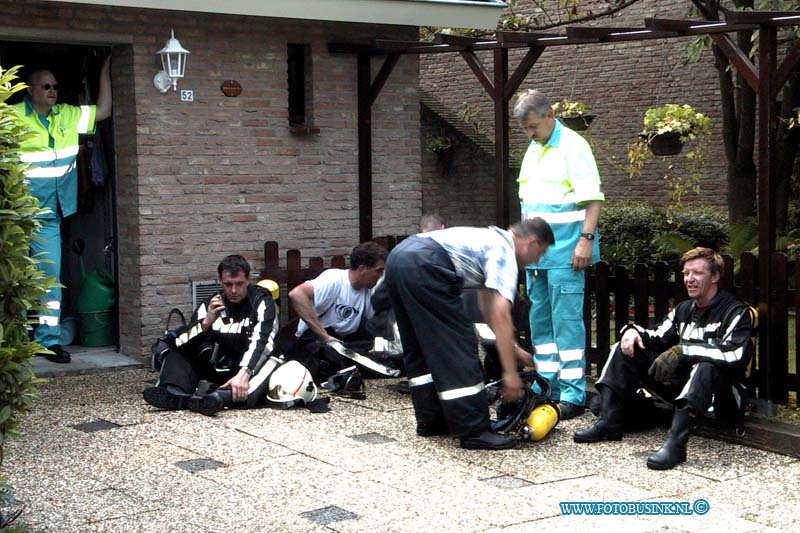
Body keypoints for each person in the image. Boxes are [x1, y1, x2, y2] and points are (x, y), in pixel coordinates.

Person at [573, 247, 756, 470]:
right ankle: (609, 422)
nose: (690, 279)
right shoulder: (683, 310)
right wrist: (632, 332)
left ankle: (676, 445)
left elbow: (734, 354)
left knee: (706, 366)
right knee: (625, 347)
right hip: (682, 393)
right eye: (686, 273)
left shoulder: (736, 312)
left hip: (723, 399)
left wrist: (683, 350)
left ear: (715, 276)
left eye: (697, 273)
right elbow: (657, 337)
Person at [384, 219, 554, 450]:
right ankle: (474, 430)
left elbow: (489, 312)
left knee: (421, 345)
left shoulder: (488, 239)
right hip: (427, 263)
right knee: (459, 347)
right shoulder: (505, 251)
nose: (537, 260)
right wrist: (510, 374)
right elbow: (502, 315)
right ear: (532, 242)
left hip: (400, 257)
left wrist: (515, 352)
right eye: (540, 253)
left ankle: (431, 419)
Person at [513, 89, 605, 420]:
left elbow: (592, 199)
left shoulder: (574, 148)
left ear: (550, 116)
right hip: (538, 259)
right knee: (540, 326)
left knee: (566, 325)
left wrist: (586, 241)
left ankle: (573, 393)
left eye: (534, 127)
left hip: (567, 253)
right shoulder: (534, 149)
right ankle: (546, 384)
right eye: (526, 129)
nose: (530, 134)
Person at [15, 57, 113, 364]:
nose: (53, 91)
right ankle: (14, 343)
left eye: (55, 86)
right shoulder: (11, 116)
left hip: (50, 216)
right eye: (46, 86)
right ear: (29, 90)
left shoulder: (67, 115)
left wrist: (104, 72)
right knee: (14, 280)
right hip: (15, 217)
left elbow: (105, 111)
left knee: (49, 279)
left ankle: (47, 341)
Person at [143, 255, 279, 416]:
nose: (234, 290)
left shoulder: (262, 303)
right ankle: (176, 394)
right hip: (216, 367)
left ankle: (221, 398)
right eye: (228, 284)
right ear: (221, 282)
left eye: (239, 284)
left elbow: (262, 342)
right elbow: (181, 342)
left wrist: (245, 373)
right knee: (177, 353)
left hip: (246, 370)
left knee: (272, 364)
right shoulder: (211, 303)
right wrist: (206, 322)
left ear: (248, 280)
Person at [286, 241, 390, 381]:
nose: (381, 276)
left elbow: (376, 323)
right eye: (379, 271)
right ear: (362, 268)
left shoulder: (368, 291)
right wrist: (324, 336)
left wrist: (379, 344)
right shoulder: (335, 279)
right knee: (330, 355)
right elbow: (296, 295)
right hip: (317, 343)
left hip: (344, 344)